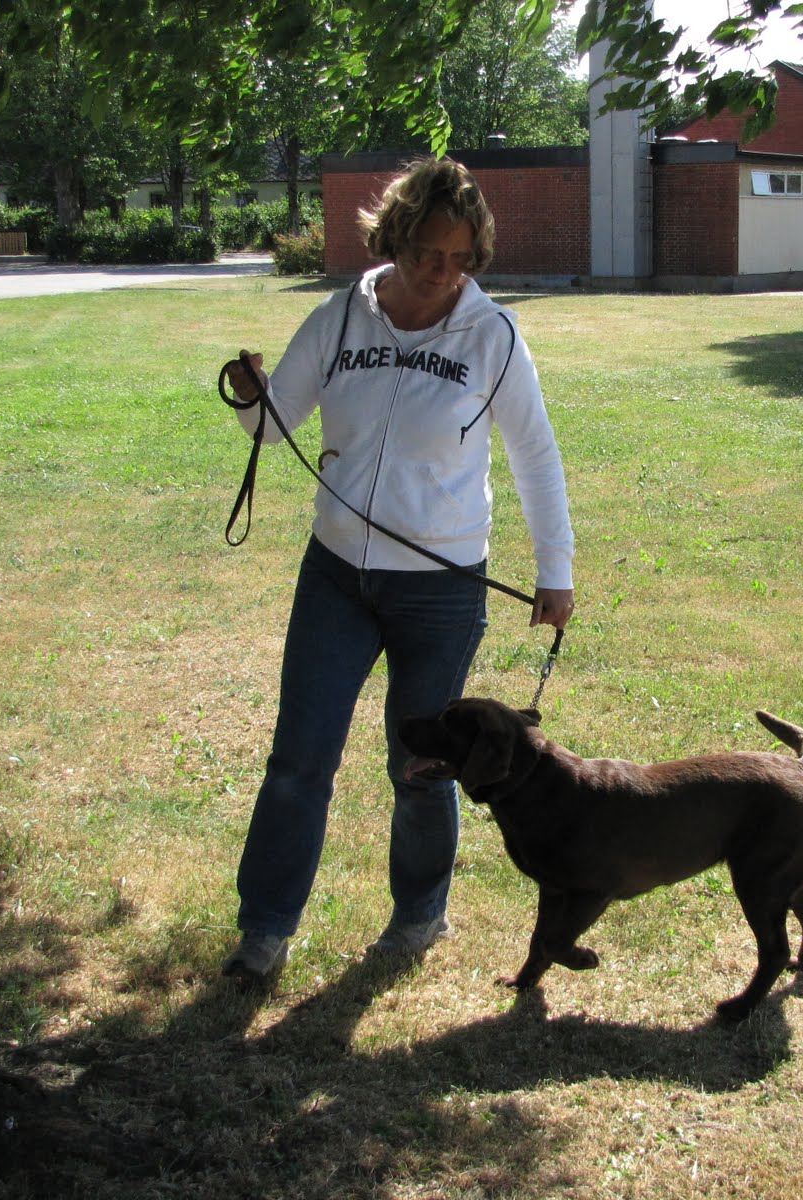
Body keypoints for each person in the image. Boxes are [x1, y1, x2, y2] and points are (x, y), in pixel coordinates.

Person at [219, 157, 575, 984]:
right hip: (337, 574)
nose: (444, 274)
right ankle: (265, 930)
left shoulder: (492, 335)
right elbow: (274, 427)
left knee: (419, 766)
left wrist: (554, 569)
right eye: (427, 255)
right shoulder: (341, 317)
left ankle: (418, 916)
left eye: (461, 259)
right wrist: (250, 393)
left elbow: (534, 453)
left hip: (442, 588)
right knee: (299, 761)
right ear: (396, 239)